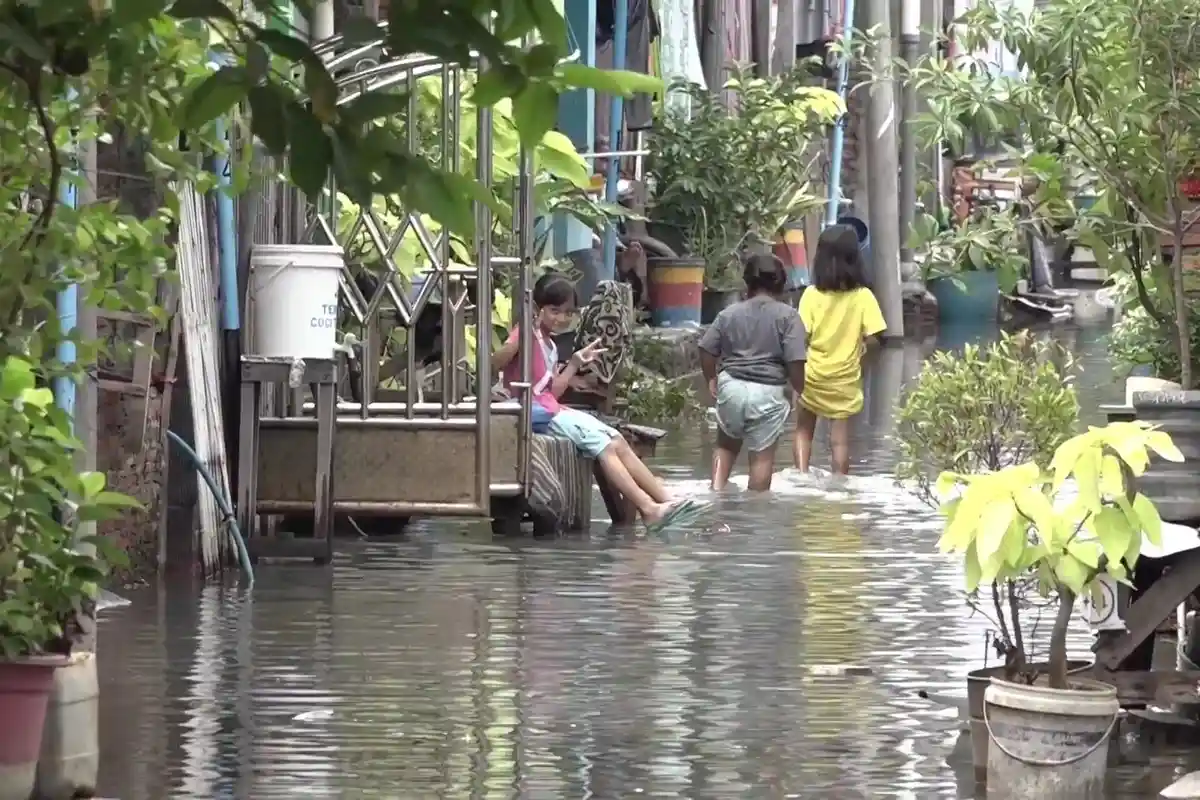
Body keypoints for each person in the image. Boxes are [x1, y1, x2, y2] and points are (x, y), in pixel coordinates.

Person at [492, 273, 703, 529]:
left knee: (617, 439)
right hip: (537, 414)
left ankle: (666, 500)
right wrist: (522, 336)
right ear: (538, 308)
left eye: (567, 312)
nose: (560, 318)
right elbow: (496, 363)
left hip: (551, 408)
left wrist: (575, 363)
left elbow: (552, 391)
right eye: (554, 310)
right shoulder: (525, 333)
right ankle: (648, 510)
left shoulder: (549, 344)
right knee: (605, 447)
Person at [699, 254, 807, 492]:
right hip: (768, 393)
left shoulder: (728, 314)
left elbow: (706, 349)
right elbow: (796, 361)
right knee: (762, 458)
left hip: (731, 387)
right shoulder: (789, 317)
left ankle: (715, 494)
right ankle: (755, 515)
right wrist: (799, 389)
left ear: (747, 283)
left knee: (725, 447)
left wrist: (711, 379)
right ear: (780, 284)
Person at [793, 224, 886, 475]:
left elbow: (801, 336)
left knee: (803, 430)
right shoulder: (863, 296)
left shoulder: (811, 295)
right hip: (844, 379)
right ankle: (840, 484)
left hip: (812, 376)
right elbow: (877, 338)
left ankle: (801, 475)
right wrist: (862, 350)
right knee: (840, 441)